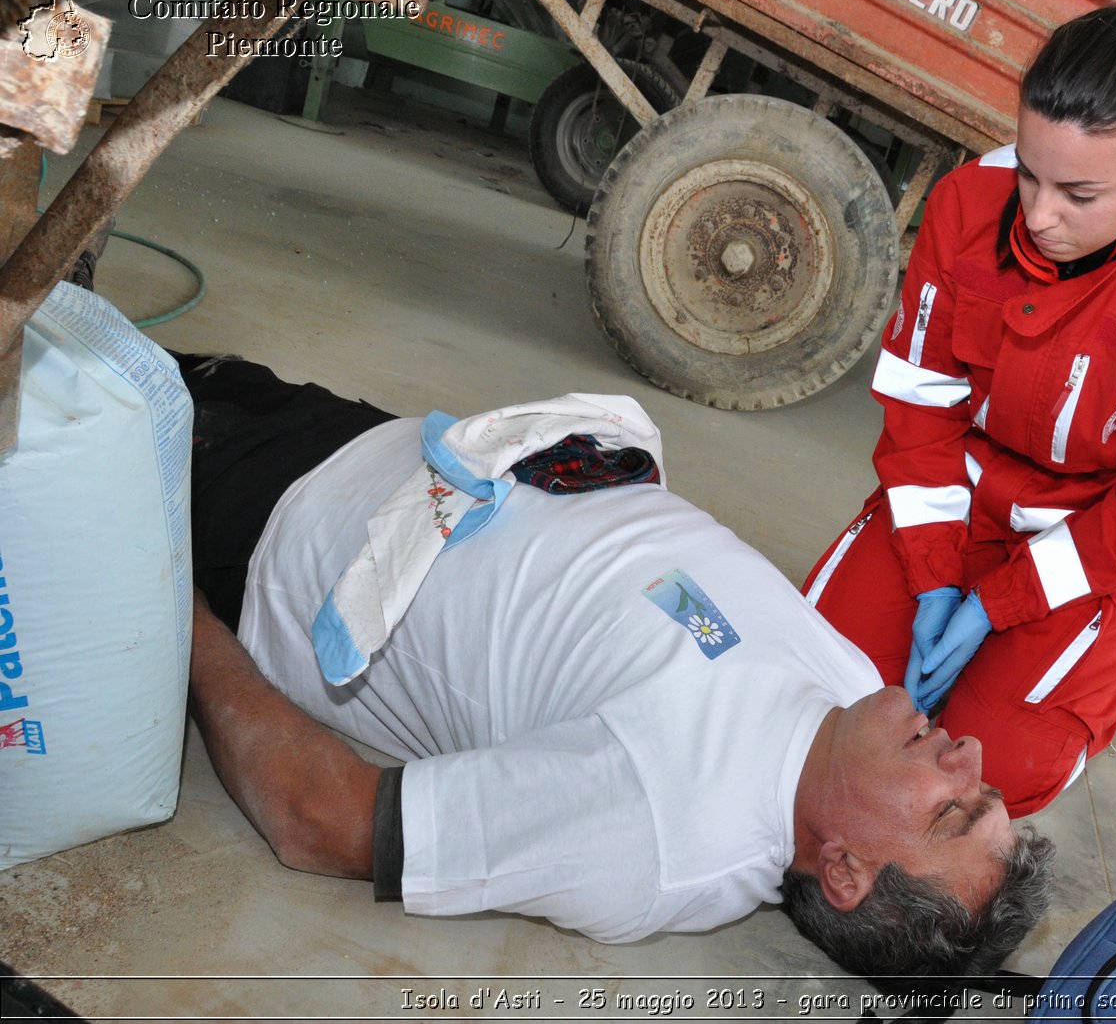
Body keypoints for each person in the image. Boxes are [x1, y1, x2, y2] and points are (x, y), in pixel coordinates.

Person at [175, 354, 1055, 987]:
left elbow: (319, 820)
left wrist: (177, 610)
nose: (967, 753)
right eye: (982, 786)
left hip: (271, 533)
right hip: (384, 446)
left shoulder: (664, 832)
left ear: (845, 871)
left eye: (950, 809)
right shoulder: (851, 693)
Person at [803, 4, 1116, 818]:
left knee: (994, 772)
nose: (1037, 213)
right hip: (961, 493)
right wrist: (934, 573)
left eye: (1080, 193)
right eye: (1030, 172)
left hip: (1102, 536)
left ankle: (1112, 664)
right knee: (814, 688)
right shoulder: (971, 202)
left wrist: (999, 602)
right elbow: (920, 408)